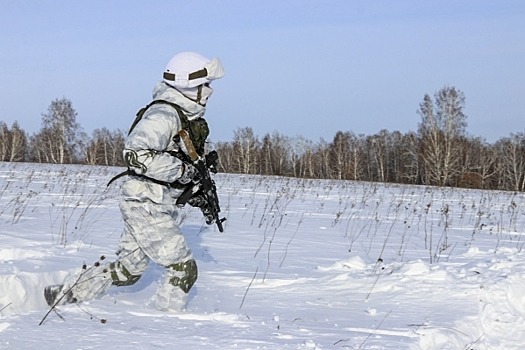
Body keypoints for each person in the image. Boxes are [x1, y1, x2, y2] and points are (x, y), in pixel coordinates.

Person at [45, 51, 225, 311]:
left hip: (152, 201)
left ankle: (63, 294)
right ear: (188, 84)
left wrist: (193, 188)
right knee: (183, 269)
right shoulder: (164, 115)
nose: (209, 91)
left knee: (128, 270)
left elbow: (173, 161)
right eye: (205, 84)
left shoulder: (184, 117)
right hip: (145, 203)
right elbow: (135, 154)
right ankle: (168, 324)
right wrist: (183, 172)